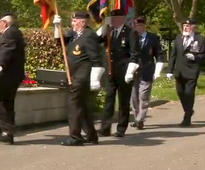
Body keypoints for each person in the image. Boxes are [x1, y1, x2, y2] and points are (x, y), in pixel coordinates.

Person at [53, 12, 103, 146]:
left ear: (83, 22)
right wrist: (57, 27)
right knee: (83, 106)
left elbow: (96, 59)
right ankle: (92, 136)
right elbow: (60, 42)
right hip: (74, 75)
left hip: (82, 76)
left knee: (73, 105)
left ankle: (75, 137)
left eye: (75, 21)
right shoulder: (74, 34)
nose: (72, 23)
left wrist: (95, 79)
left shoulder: (89, 36)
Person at [0, 14, 27, 144]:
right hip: (12, 75)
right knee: (7, 104)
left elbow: (5, 55)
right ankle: (7, 134)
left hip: (8, 75)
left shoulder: (11, 33)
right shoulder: (10, 33)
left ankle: (9, 128)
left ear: (5, 23)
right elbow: (0, 47)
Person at [96, 8, 140, 137]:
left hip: (124, 72)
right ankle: (105, 128)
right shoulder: (109, 32)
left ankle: (121, 128)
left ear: (122, 19)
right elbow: (96, 41)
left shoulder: (131, 33)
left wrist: (130, 71)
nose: (113, 21)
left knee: (123, 102)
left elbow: (134, 53)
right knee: (108, 100)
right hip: (110, 71)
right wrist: (103, 28)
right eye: (111, 19)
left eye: (115, 18)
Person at [167, 17, 205, 127]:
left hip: (191, 71)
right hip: (179, 71)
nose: (186, 27)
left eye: (188, 26)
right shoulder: (178, 38)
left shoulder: (200, 39)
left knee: (189, 93)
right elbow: (173, 55)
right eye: (184, 25)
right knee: (180, 93)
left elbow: (203, 55)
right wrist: (170, 70)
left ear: (194, 27)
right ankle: (189, 110)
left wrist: (195, 57)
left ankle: (187, 118)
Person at [130, 16, 166, 130]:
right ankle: (137, 117)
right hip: (132, 71)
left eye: (140, 26)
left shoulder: (153, 38)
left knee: (143, 96)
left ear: (144, 26)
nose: (138, 28)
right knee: (134, 97)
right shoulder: (131, 37)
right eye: (136, 26)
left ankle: (140, 119)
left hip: (147, 69)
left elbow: (159, 54)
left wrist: (158, 70)